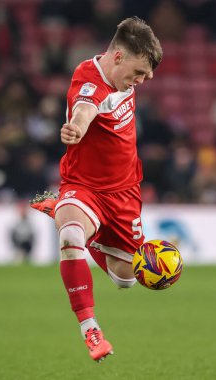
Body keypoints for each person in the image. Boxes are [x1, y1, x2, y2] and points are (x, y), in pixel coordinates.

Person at [30, 17, 163, 362]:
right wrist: (75, 127)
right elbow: (85, 109)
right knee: (70, 236)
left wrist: (138, 74)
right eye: (138, 73)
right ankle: (90, 329)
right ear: (118, 57)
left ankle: (58, 208)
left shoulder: (123, 75)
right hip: (84, 186)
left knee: (126, 279)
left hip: (125, 193)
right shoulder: (90, 83)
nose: (142, 81)